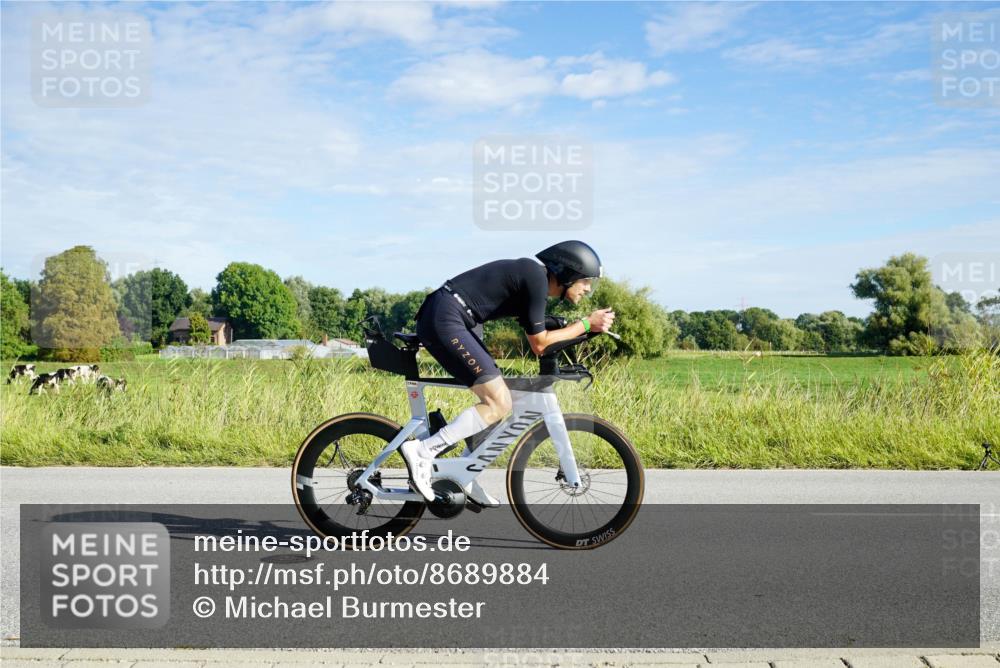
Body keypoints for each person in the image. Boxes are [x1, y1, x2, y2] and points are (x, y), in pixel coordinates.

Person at [400, 240, 615, 507]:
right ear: (568, 274)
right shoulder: (535, 278)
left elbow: (541, 329)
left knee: (501, 397)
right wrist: (585, 323)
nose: (588, 288)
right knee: (497, 401)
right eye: (585, 281)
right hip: (446, 317)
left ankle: (462, 473)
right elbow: (540, 343)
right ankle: (422, 451)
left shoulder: (534, 281)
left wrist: (582, 329)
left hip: (458, 318)